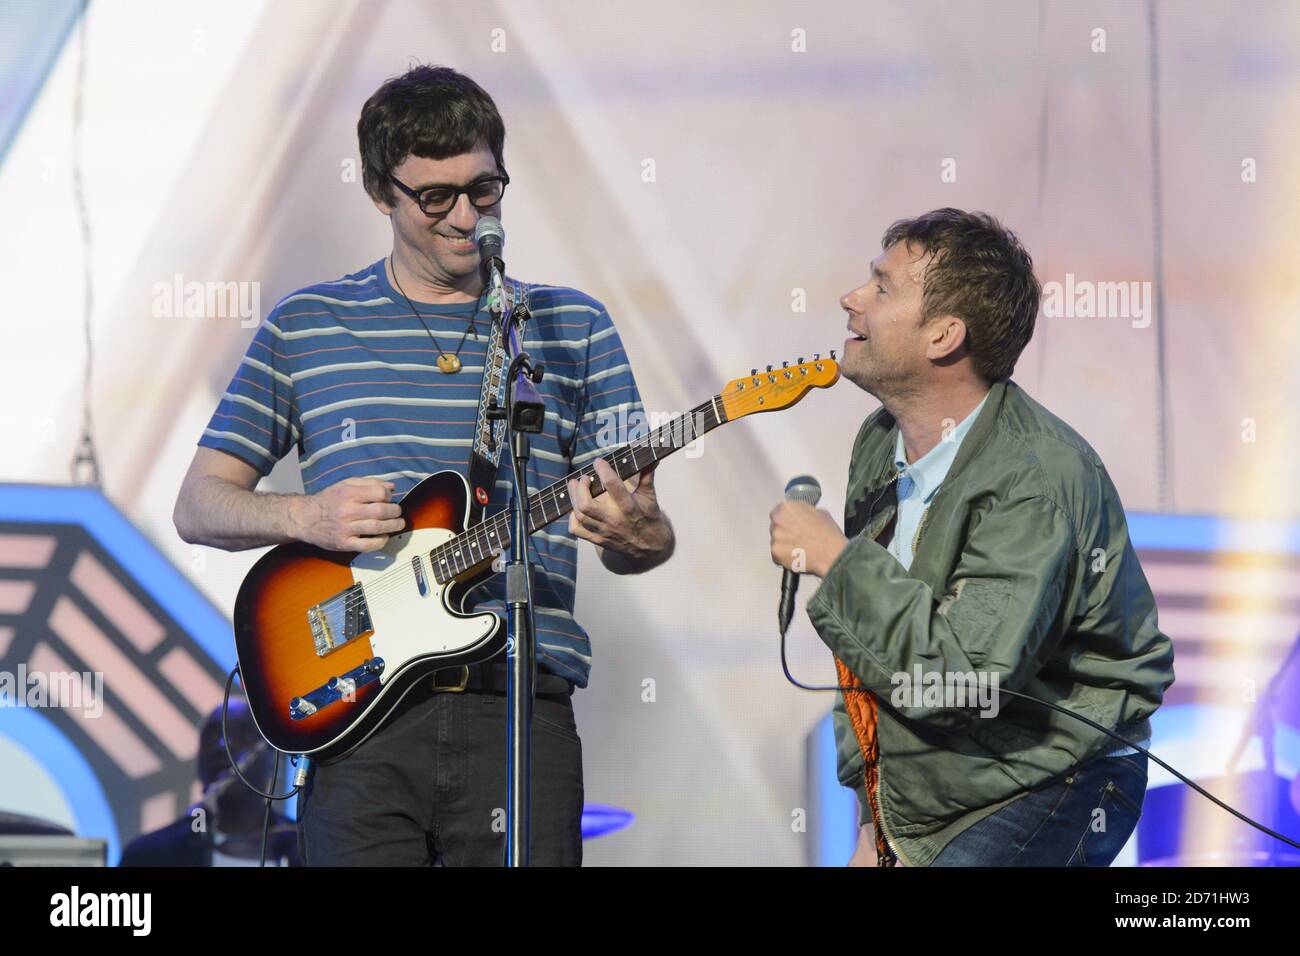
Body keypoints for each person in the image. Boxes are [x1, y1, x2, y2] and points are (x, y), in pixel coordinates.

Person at [173, 65, 674, 866]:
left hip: (521, 703)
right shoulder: (308, 324)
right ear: (380, 191)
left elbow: (635, 540)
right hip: (360, 717)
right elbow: (199, 504)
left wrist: (642, 532)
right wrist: (303, 515)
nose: (467, 216)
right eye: (435, 196)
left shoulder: (569, 325)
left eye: (485, 189)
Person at [768, 208, 1175, 866]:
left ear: (943, 335)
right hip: (940, 786)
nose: (851, 299)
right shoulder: (879, 443)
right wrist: (874, 827)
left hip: (1054, 778)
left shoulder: (1037, 479)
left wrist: (836, 563)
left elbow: (961, 682)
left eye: (882, 287)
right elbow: (871, 662)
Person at [119, 697, 299, 867]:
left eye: (244, 734)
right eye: (213, 736)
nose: (223, 745)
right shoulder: (148, 857)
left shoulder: (308, 851)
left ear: (274, 759)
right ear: (198, 761)